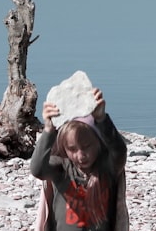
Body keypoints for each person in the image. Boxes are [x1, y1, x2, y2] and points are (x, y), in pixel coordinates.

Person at [30, 88, 129, 231]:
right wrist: (49, 130)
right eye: (72, 149)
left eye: (87, 147)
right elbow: (37, 169)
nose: (81, 155)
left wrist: (102, 119)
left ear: (99, 144)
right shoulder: (61, 169)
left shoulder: (107, 169)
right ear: (64, 148)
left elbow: (119, 151)